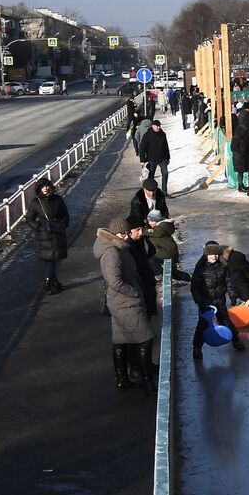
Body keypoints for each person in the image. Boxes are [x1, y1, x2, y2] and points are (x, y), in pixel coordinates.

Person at [95, 218, 156, 391]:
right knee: (145, 339)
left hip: (120, 300)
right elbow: (115, 281)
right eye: (124, 233)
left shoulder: (116, 247)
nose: (127, 236)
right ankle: (147, 381)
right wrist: (134, 293)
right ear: (115, 234)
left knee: (121, 340)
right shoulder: (111, 252)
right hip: (125, 301)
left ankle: (122, 379)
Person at [190, 241, 244, 359]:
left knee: (226, 321)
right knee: (203, 325)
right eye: (211, 254)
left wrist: (233, 296)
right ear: (206, 254)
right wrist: (199, 301)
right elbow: (195, 287)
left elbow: (229, 282)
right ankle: (197, 348)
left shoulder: (223, 266)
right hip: (206, 303)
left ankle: (236, 340)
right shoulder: (200, 269)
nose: (214, 256)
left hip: (220, 301)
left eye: (216, 254)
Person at [28, 177, 69, 294]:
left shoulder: (57, 199)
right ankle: (49, 283)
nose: (45, 189)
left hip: (57, 233)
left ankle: (53, 282)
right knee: (49, 259)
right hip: (44, 236)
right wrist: (40, 228)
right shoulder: (35, 203)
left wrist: (63, 224)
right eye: (42, 187)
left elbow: (65, 214)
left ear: (51, 186)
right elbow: (30, 219)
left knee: (54, 259)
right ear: (38, 189)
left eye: (47, 186)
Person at [144, 210, 192, 284]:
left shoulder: (161, 227)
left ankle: (161, 275)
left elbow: (156, 232)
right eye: (149, 221)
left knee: (152, 261)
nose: (150, 223)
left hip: (166, 252)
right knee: (174, 273)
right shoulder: (163, 224)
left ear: (157, 220)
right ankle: (191, 278)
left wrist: (142, 231)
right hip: (169, 251)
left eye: (151, 221)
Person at [138, 119, 171, 193]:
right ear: (153, 126)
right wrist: (142, 160)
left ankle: (164, 192)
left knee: (165, 173)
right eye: (157, 126)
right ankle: (151, 192)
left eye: (159, 126)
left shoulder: (163, 134)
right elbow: (142, 148)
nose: (158, 127)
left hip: (162, 159)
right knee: (151, 176)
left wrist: (168, 157)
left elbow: (166, 146)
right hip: (151, 159)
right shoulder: (147, 135)